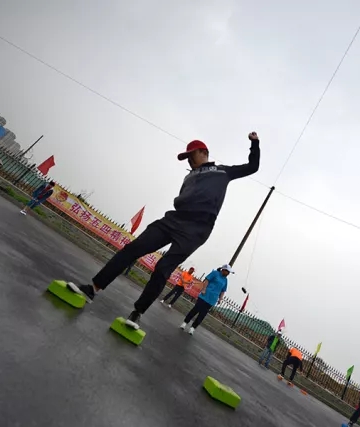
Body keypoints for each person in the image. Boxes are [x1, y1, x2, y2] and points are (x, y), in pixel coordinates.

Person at [67, 132, 261, 330]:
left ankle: (137, 313)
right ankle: (93, 288)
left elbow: (252, 167)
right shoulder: (189, 176)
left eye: (191, 155)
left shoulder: (222, 172)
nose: (189, 160)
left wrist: (254, 143)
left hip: (196, 230)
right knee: (133, 248)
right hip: (174, 219)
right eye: (186, 157)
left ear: (204, 152)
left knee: (163, 268)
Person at [179, 264, 232, 335]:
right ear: (223, 270)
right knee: (195, 310)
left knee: (202, 314)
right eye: (227, 271)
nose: (228, 273)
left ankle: (193, 328)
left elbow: (223, 290)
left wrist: (220, 299)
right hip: (204, 296)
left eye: (229, 272)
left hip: (212, 300)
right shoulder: (215, 273)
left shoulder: (225, 280)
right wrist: (204, 289)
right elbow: (207, 280)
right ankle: (185, 322)